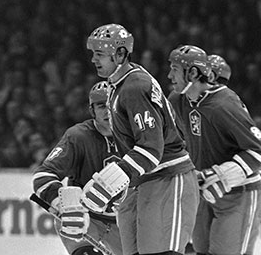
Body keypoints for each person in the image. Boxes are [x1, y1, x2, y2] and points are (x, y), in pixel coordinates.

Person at [82, 23, 200, 255]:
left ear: (120, 54)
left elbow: (150, 148)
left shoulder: (134, 87)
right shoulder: (121, 84)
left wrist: (110, 183)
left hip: (168, 177)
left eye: (100, 54)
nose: (94, 60)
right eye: (93, 54)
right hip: (146, 181)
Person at [167, 45, 261, 255]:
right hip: (201, 190)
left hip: (239, 192)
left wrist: (223, 175)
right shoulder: (177, 100)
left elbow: (257, 151)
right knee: (200, 250)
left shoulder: (224, 104)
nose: (169, 75)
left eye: (174, 69)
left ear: (192, 73)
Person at [32, 81, 123, 255]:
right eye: (101, 106)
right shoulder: (78, 137)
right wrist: (62, 204)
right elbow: (43, 175)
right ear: (92, 111)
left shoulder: (137, 135)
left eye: (113, 104)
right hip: (85, 219)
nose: (108, 110)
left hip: (124, 222)